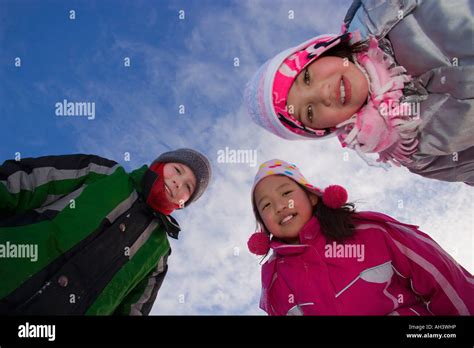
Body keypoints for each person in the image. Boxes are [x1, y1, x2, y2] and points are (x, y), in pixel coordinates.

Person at [244, 0, 474, 185]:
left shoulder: (379, 11)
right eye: (310, 112)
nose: (323, 93)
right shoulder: (416, 153)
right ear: (324, 130)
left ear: (320, 53)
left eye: (306, 78)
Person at [248, 159, 474, 315]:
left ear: (312, 196)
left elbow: (446, 280)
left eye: (286, 192)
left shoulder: (372, 233)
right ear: (263, 226)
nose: (279, 206)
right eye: (266, 205)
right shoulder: (275, 284)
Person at [0, 148, 211, 315]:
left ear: (184, 202)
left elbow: (133, 310)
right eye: (177, 170)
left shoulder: (159, 255)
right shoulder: (103, 174)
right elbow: (25, 182)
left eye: (188, 187)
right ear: (160, 164)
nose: (177, 182)